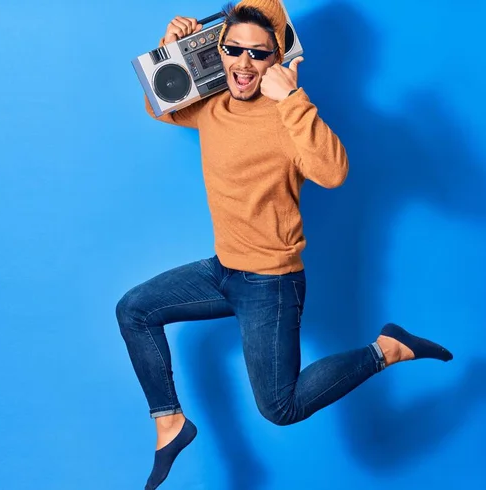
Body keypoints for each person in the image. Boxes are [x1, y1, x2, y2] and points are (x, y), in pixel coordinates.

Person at [116, 1, 453, 488]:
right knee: (134, 309)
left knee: (281, 407)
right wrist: (170, 52)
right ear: (218, 50)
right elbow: (160, 106)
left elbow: (334, 171)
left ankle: (387, 349)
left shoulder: (287, 115)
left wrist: (293, 99)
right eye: (233, 50)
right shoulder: (212, 109)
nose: (243, 63)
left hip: (270, 284)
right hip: (223, 271)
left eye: (258, 54)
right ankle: (169, 422)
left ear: (276, 58)